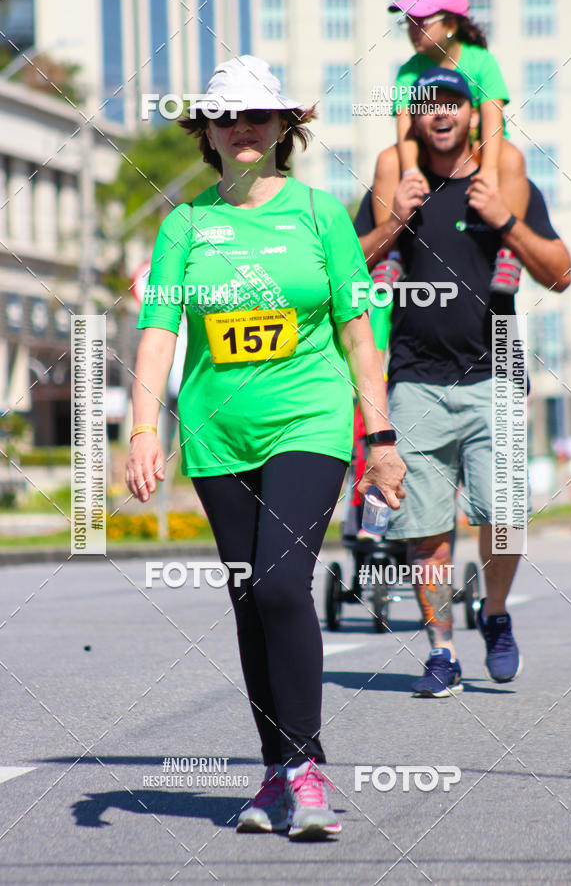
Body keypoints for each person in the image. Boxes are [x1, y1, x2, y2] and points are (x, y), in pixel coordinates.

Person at [125, 55, 406, 837]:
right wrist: (145, 429)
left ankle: (307, 768)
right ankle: (277, 771)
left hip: (308, 422)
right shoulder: (184, 224)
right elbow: (157, 336)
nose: (241, 128)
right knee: (251, 601)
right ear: (206, 133)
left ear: (285, 127)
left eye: (256, 115)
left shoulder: (320, 217)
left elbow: (357, 334)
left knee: (283, 586)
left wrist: (379, 437)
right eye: (225, 117)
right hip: (218, 434)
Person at [359, 67, 571, 697]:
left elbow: (560, 274)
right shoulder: (401, 179)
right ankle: (442, 650)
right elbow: (344, 270)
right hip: (417, 377)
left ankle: (496, 615)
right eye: (427, 104)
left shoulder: (503, 179)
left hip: (497, 370)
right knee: (424, 528)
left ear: (472, 113)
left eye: (452, 100)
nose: (441, 112)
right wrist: (397, 220)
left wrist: (506, 219)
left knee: (502, 519)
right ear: (415, 118)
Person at [373, 0, 529, 293]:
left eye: (423, 21)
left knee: (511, 157)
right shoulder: (408, 72)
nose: (413, 30)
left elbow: (493, 120)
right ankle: (389, 252)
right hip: (428, 150)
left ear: (452, 25)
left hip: (480, 148)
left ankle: (509, 253)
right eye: (410, 22)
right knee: (388, 161)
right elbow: (405, 129)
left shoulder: (481, 61)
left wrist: (490, 171)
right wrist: (410, 173)